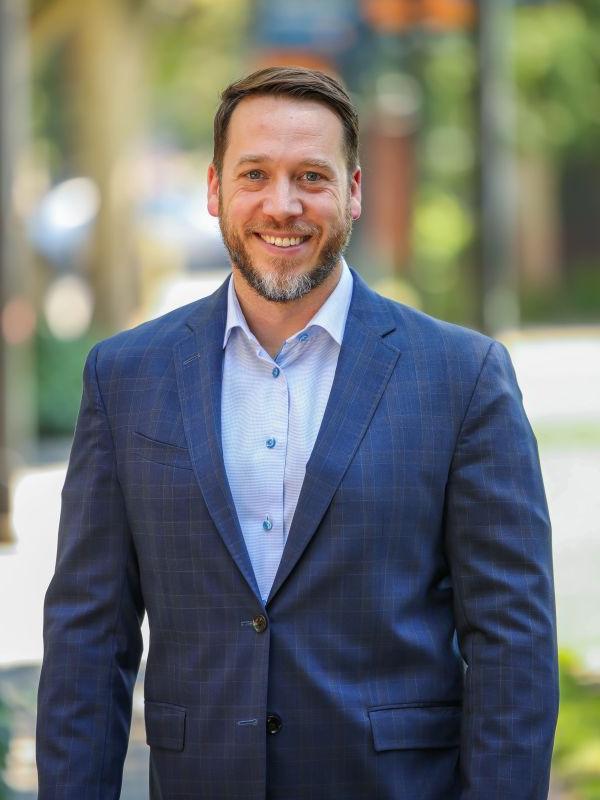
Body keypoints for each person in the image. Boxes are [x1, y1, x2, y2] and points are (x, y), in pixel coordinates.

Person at [36, 66, 558, 800]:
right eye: (256, 174)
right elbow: (89, 642)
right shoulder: (124, 379)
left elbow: (513, 647)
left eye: (311, 176)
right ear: (216, 190)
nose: (282, 205)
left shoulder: (462, 378)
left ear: (353, 191)